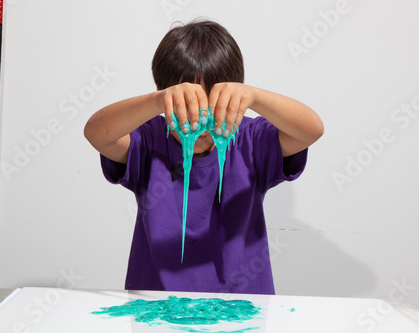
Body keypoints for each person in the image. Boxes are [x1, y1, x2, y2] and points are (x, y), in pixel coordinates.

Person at [84, 20, 324, 294]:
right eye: (187, 108)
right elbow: (96, 133)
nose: (200, 123)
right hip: (155, 306)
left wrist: (254, 96)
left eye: (214, 107)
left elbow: (311, 130)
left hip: (243, 308)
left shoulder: (251, 141)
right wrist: (156, 101)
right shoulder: (148, 142)